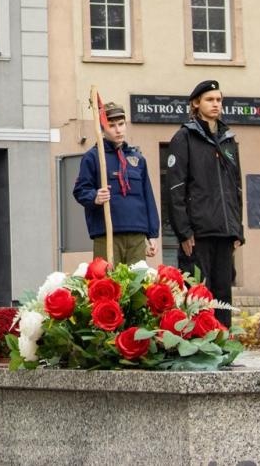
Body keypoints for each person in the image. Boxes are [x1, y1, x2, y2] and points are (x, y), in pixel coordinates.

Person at [164, 79, 243, 327]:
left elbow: (236, 187)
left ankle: (223, 341)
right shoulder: (184, 137)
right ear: (196, 103)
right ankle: (195, 341)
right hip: (197, 234)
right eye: (210, 100)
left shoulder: (228, 139)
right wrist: (183, 231)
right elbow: (175, 189)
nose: (216, 104)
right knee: (196, 294)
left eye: (219, 100)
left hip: (225, 231)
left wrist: (237, 229)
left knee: (223, 295)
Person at [73, 100, 160, 267]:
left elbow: (147, 197)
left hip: (137, 234)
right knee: (108, 280)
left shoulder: (138, 159)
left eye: (121, 124)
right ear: (102, 129)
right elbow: (80, 190)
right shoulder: (93, 157)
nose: (118, 130)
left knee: (137, 281)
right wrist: (95, 197)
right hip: (107, 234)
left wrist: (152, 234)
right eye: (112, 126)